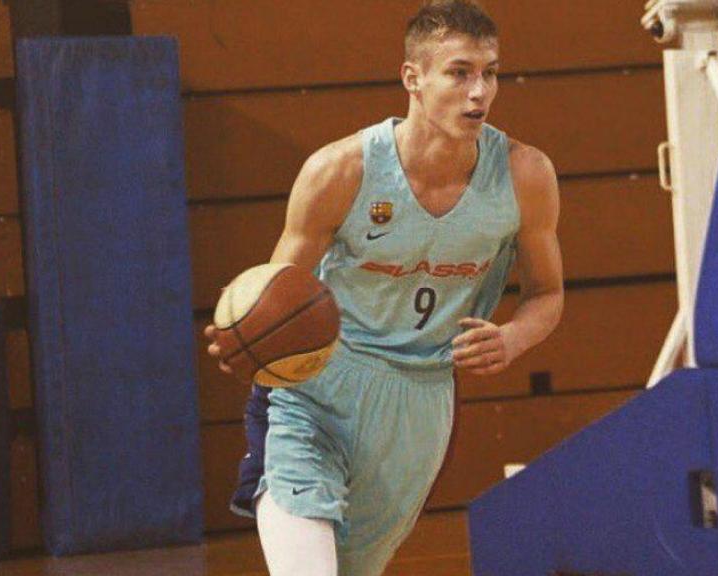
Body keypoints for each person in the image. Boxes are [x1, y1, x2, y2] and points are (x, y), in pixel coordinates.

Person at [204, 1, 563, 574]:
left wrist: (514, 337)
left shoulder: (525, 174)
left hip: (419, 401)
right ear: (412, 78)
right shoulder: (339, 170)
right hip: (314, 385)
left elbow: (546, 293)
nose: (479, 92)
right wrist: (246, 337)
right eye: (460, 71)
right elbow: (277, 291)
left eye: (489, 72)